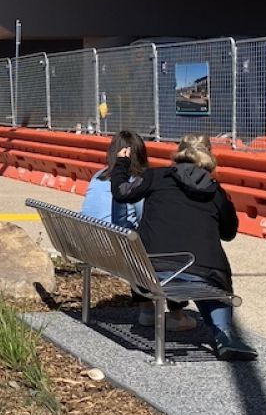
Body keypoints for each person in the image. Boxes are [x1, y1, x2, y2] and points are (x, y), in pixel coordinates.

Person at [110, 132, 256, 361]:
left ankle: (223, 334)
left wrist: (122, 163)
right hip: (203, 270)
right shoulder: (216, 191)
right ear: (209, 155)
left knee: (196, 275)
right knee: (210, 278)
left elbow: (121, 193)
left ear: (178, 153)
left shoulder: (155, 176)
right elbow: (229, 233)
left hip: (152, 268)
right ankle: (224, 334)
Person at [82, 131, 198, 334]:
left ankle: (146, 309)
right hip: (116, 249)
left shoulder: (98, 176)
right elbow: (147, 219)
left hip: (91, 247)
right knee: (163, 244)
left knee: (134, 242)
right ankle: (177, 313)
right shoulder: (138, 180)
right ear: (142, 154)